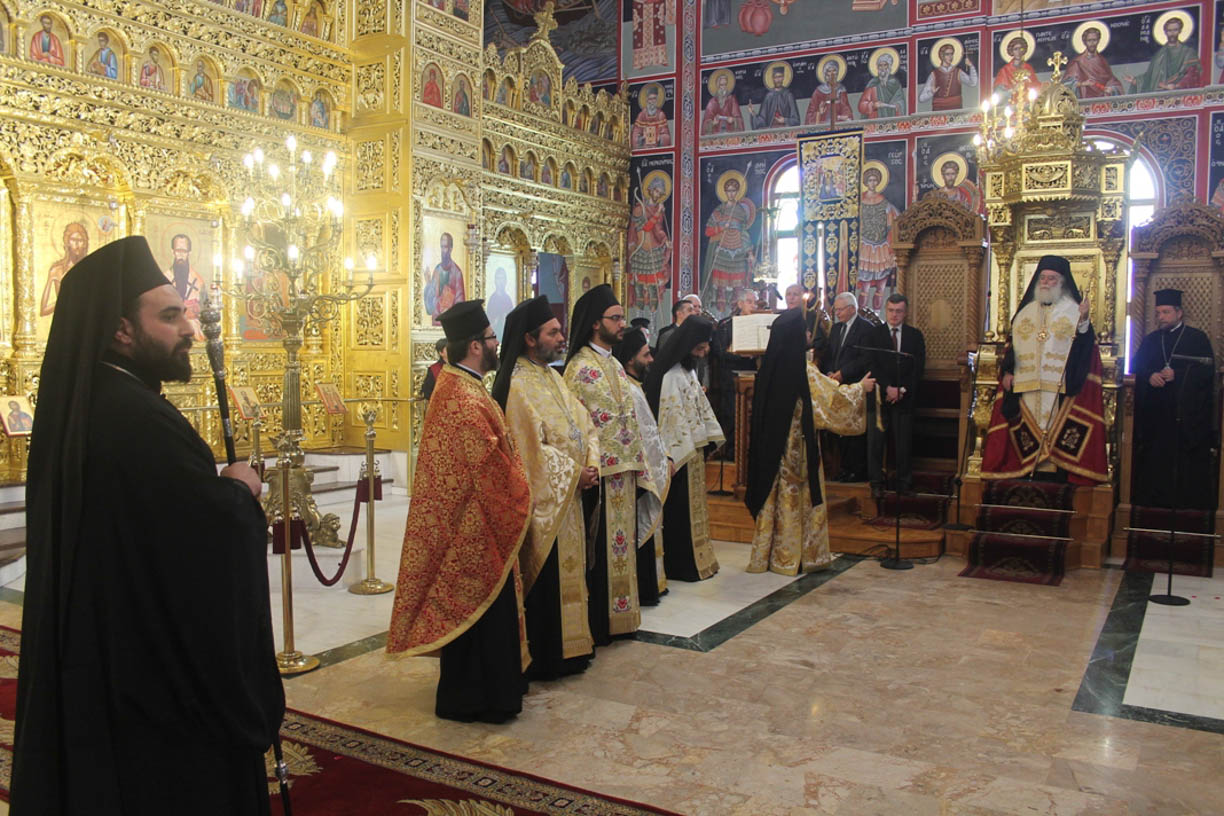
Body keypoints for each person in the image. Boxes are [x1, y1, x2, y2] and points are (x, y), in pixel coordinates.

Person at [13, 236, 284, 812]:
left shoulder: (97, 399)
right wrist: (238, 493)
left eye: (185, 313)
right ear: (120, 330)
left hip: (103, 655)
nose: (189, 329)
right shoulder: (135, 419)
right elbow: (198, 543)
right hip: (149, 687)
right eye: (169, 316)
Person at [387, 300, 531, 723]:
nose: (496, 344)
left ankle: (484, 694)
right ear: (474, 345)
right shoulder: (464, 398)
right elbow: (488, 468)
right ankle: (480, 699)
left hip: (475, 526)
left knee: (482, 618)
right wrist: (521, 487)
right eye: (491, 338)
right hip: (474, 532)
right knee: (480, 618)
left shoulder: (462, 385)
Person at [492, 296, 599, 679]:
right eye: (553, 332)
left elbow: (585, 424)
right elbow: (529, 451)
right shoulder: (516, 385)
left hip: (571, 494)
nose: (561, 337)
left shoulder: (553, 376)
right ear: (530, 338)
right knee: (550, 579)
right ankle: (551, 655)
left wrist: (591, 462)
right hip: (547, 502)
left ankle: (575, 648)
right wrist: (574, 473)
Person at [746, 309, 875, 575]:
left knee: (774, 500)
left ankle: (770, 555)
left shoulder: (768, 367)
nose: (808, 334)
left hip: (772, 451)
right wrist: (860, 388)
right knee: (799, 500)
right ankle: (798, 556)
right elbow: (831, 400)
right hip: (799, 448)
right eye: (805, 330)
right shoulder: (803, 370)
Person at [563, 285, 659, 643]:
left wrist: (639, 463)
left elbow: (630, 420)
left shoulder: (615, 365)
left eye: (622, 317)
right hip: (600, 479)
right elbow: (576, 427)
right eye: (615, 318)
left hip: (625, 475)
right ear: (595, 323)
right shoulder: (579, 368)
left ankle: (623, 618)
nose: (622, 324)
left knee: (623, 550)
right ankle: (601, 625)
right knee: (600, 554)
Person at [981, 256, 1107, 483]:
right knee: (1027, 431)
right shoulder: (1024, 313)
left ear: (1062, 282)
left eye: (1052, 279)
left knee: (1054, 430)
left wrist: (1084, 320)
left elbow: (1084, 348)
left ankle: (1056, 477)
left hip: (1059, 387)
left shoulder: (1074, 310)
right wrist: (1008, 372)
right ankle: (1027, 473)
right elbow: (1012, 349)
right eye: (1043, 278)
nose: (1046, 282)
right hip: (1026, 386)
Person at [645, 316, 724, 581]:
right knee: (680, 510)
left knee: (694, 508)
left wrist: (707, 437)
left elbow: (699, 407)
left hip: (693, 450)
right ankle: (682, 565)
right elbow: (670, 420)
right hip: (679, 455)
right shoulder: (670, 375)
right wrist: (675, 453)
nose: (704, 353)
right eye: (699, 348)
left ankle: (699, 559)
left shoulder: (688, 371)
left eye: (705, 347)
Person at [1132, 288, 1217, 510]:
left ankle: (1188, 506)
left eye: (1166, 312)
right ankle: (1153, 505)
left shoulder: (1197, 338)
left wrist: (1178, 375)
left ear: (1179, 313)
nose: (1161, 317)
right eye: (1158, 313)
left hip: (1187, 418)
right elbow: (1136, 368)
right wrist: (1150, 376)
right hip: (1157, 417)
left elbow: (1207, 373)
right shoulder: (1151, 340)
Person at [613, 327, 670, 604]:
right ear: (629, 359)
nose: (651, 360)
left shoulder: (636, 386)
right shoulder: (628, 390)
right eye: (645, 355)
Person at [865, 294, 926, 499]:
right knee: (875, 443)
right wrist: (887, 388)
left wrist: (901, 390)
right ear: (886, 310)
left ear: (905, 312)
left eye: (898, 311)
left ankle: (903, 483)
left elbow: (918, 367)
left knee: (903, 443)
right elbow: (871, 364)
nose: (894, 315)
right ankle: (876, 483)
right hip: (879, 397)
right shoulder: (874, 335)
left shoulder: (914, 336)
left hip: (904, 397)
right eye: (891, 310)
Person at [822, 292, 874, 481]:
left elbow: (865, 358)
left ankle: (856, 471)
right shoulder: (836, 329)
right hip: (837, 385)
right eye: (835, 310)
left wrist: (843, 373)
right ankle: (842, 468)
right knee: (839, 428)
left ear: (852, 309)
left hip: (856, 384)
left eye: (840, 309)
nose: (837, 313)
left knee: (854, 430)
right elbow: (829, 354)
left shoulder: (866, 329)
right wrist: (830, 372)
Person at [712, 288, 758, 457]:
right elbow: (719, 352)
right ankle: (732, 452)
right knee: (732, 415)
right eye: (749, 302)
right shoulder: (726, 325)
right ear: (740, 304)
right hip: (731, 376)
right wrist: (738, 354)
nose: (753, 306)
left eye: (755, 302)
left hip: (752, 374)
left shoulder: (758, 324)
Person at [702, 175, 757, 314]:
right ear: (725, 192)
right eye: (729, 191)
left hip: (738, 254)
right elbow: (708, 231)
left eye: (734, 191)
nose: (731, 193)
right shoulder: (719, 211)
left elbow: (744, 232)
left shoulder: (741, 211)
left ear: (737, 192)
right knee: (720, 290)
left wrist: (749, 252)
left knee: (738, 291)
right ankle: (720, 318)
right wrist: (721, 227)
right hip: (722, 253)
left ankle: (735, 317)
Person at [628, 173, 672, 314]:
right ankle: (638, 318)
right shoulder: (639, 209)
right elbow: (645, 227)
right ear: (650, 190)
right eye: (656, 191)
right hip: (641, 251)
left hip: (655, 250)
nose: (657, 195)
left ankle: (653, 320)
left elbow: (658, 230)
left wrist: (665, 240)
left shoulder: (658, 211)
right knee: (639, 288)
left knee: (654, 288)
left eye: (660, 193)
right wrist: (657, 213)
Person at [858, 166, 900, 314]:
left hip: (882, 247)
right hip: (865, 248)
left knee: (881, 287)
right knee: (865, 287)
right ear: (865, 182)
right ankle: (862, 316)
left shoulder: (885, 203)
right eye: (870, 180)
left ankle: (877, 315)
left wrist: (892, 250)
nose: (873, 183)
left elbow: (893, 223)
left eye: (875, 180)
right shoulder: (859, 203)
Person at [1125, 14, 1202, 93]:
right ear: (1165, 32)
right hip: (1159, 94)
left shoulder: (1189, 53)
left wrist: (1177, 86)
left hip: (1180, 94)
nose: (1172, 33)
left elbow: (1193, 75)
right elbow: (1150, 76)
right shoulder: (1159, 55)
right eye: (1169, 30)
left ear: (1180, 31)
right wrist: (1136, 81)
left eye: (1175, 30)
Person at [42, 222, 89, 316]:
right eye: (73, 240)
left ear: (84, 244)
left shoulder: (90, 270)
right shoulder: (57, 270)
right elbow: (43, 310)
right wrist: (64, 301)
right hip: (65, 318)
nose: (77, 244)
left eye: (80, 240)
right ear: (67, 242)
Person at [165, 233, 206, 340]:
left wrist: (196, 310)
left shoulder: (198, 280)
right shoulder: (165, 279)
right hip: (171, 329)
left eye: (184, 251)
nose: (181, 255)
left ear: (189, 253)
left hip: (194, 330)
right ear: (173, 252)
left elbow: (205, 308)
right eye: (178, 250)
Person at [1065, 24, 1123, 98]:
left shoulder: (1102, 61)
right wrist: (1083, 84)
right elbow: (1066, 84)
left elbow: (1111, 80)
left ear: (1098, 41)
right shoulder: (1078, 62)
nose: (1092, 43)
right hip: (1086, 100)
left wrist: (1112, 89)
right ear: (1084, 42)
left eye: (1094, 40)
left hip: (1102, 100)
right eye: (1089, 40)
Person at [919, 41, 977, 110]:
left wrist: (971, 66)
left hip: (955, 108)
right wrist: (931, 92)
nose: (950, 57)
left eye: (952, 54)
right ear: (942, 56)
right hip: (939, 109)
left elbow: (972, 83)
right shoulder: (934, 74)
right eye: (947, 54)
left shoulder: (958, 71)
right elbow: (921, 98)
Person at [423, 232, 465, 324]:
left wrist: (449, 310)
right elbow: (430, 308)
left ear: (451, 248)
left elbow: (460, 303)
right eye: (441, 247)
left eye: (445, 247)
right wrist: (429, 283)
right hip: (437, 323)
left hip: (451, 323)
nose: (443, 250)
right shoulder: (437, 270)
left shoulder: (457, 272)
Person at [804, 59, 853, 126]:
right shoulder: (818, 92)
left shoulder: (841, 90)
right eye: (829, 71)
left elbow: (846, 109)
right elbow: (809, 116)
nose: (832, 74)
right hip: (823, 126)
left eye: (834, 70)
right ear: (825, 74)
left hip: (838, 126)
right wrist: (819, 113)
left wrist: (843, 116)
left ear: (837, 72)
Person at [751, 63, 800, 130]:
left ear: (783, 77)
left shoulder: (788, 95)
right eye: (776, 77)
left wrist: (784, 120)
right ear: (773, 78)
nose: (778, 80)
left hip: (786, 130)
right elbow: (762, 120)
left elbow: (796, 120)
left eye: (780, 76)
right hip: (771, 131)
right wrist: (753, 113)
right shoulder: (769, 96)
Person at [858, 51, 905, 119]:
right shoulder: (873, 83)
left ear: (889, 66)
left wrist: (895, 105)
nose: (882, 68)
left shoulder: (895, 83)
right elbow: (861, 105)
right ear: (877, 67)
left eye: (885, 65)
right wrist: (873, 105)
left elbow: (901, 101)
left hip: (892, 119)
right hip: (875, 120)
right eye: (880, 65)